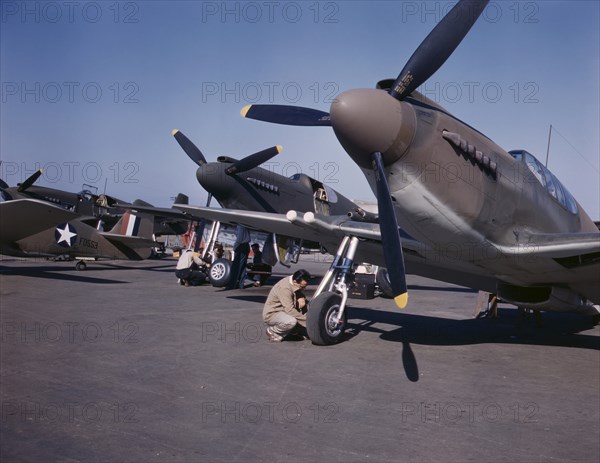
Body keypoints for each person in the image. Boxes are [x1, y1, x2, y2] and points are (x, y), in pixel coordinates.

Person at [263, 269, 311, 342]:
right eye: (302, 287)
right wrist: (308, 321)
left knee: (305, 304)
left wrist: (301, 297)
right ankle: (273, 331)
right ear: (295, 281)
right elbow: (290, 310)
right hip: (273, 313)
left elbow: (296, 292)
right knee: (291, 322)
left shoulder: (293, 281)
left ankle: (295, 331)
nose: (304, 289)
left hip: (284, 311)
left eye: (305, 286)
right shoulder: (285, 288)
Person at [226, 225, 251, 289]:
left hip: (241, 245)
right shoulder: (245, 225)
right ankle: (241, 284)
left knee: (236, 266)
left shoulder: (240, 226)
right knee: (242, 266)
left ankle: (232, 284)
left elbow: (239, 239)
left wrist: (235, 247)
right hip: (246, 245)